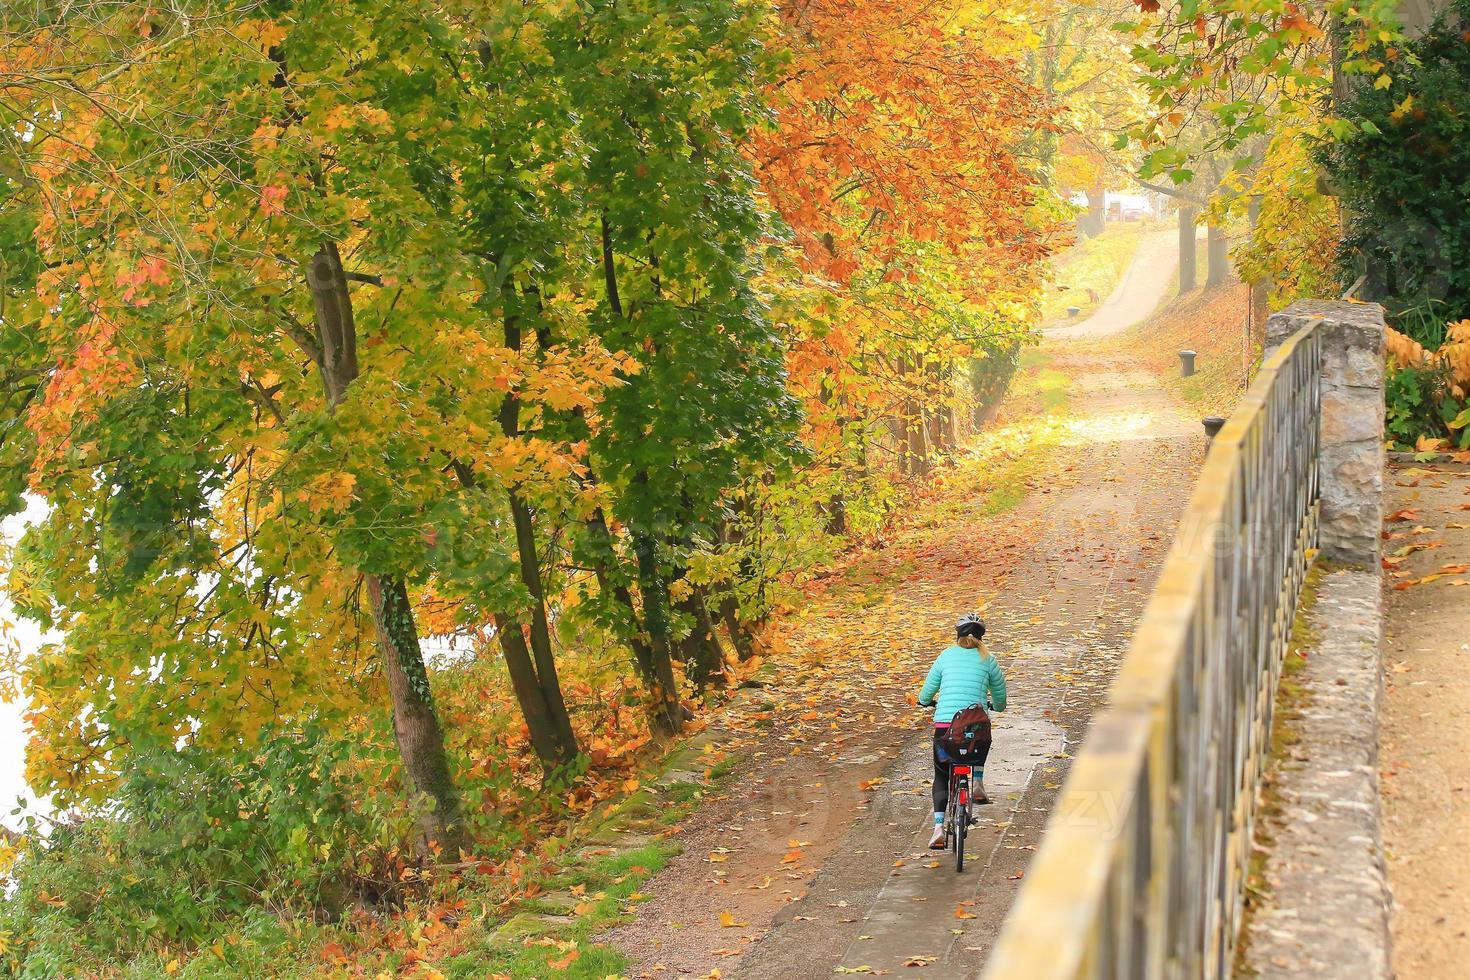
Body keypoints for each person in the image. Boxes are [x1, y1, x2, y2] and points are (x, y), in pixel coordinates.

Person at [917, 613, 1006, 849]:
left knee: (942, 775)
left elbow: (926, 692)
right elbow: (1000, 697)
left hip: (946, 728)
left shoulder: (945, 656)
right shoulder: (989, 660)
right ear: (981, 637)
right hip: (974, 727)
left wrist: (925, 701)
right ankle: (977, 780)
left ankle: (938, 828)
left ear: (958, 635)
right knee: (980, 740)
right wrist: (996, 707)